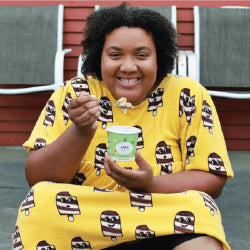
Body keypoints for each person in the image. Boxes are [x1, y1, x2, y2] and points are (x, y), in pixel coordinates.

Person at [13, 3, 233, 250]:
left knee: (201, 206)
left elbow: (212, 179)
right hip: (83, 220)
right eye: (115, 55)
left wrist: (150, 185)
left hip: (161, 216)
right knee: (40, 201)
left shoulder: (188, 95)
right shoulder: (77, 93)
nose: (128, 67)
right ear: (99, 57)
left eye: (141, 55)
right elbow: (37, 177)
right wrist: (80, 131)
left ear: (159, 58)